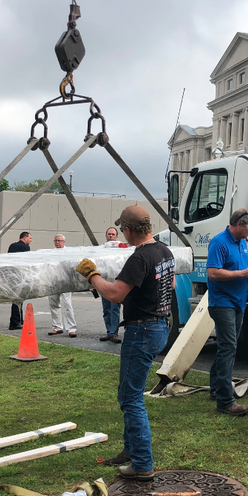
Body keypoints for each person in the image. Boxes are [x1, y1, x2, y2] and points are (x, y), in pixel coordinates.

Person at [76, 205, 175, 481]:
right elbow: (171, 284)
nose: (122, 234)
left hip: (142, 330)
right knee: (128, 394)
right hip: (158, 325)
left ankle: (142, 464)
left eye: (123, 229)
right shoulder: (164, 251)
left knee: (131, 398)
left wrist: (91, 275)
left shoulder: (140, 257)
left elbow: (115, 294)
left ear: (130, 230)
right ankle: (130, 452)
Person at [206, 208, 248, 417]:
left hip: (238, 302)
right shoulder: (219, 243)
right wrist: (242, 273)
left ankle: (215, 388)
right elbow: (213, 273)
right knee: (228, 347)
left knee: (226, 347)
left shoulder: (242, 242)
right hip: (222, 303)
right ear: (238, 224)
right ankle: (225, 401)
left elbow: (242, 267)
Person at [47, 234, 77, 337]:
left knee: (68, 304)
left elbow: (72, 266)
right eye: (56, 241)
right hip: (54, 281)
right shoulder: (51, 253)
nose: (57, 243)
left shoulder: (69, 253)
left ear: (64, 242)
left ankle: (71, 328)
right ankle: (57, 327)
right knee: (54, 304)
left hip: (65, 280)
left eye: (59, 241)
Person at [99, 226, 123, 344]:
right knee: (106, 309)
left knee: (115, 309)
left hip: (115, 283)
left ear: (117, 236)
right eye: (109, 234)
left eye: (113, 234)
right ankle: (109, 331)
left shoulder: (121, 249)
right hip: (104, 282)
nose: (111, 236)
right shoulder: (102, 249)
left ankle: (114, 332)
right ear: (106, 235)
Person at [7, 231, 32, 330]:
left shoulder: (12, 246)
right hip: (21, 277)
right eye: (30, 238)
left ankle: (19, 320)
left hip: (12, 276)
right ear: (24, 238)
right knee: (18, 300)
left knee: (17, 299)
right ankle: (15, 322)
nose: (31, 240)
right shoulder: (25, 248)